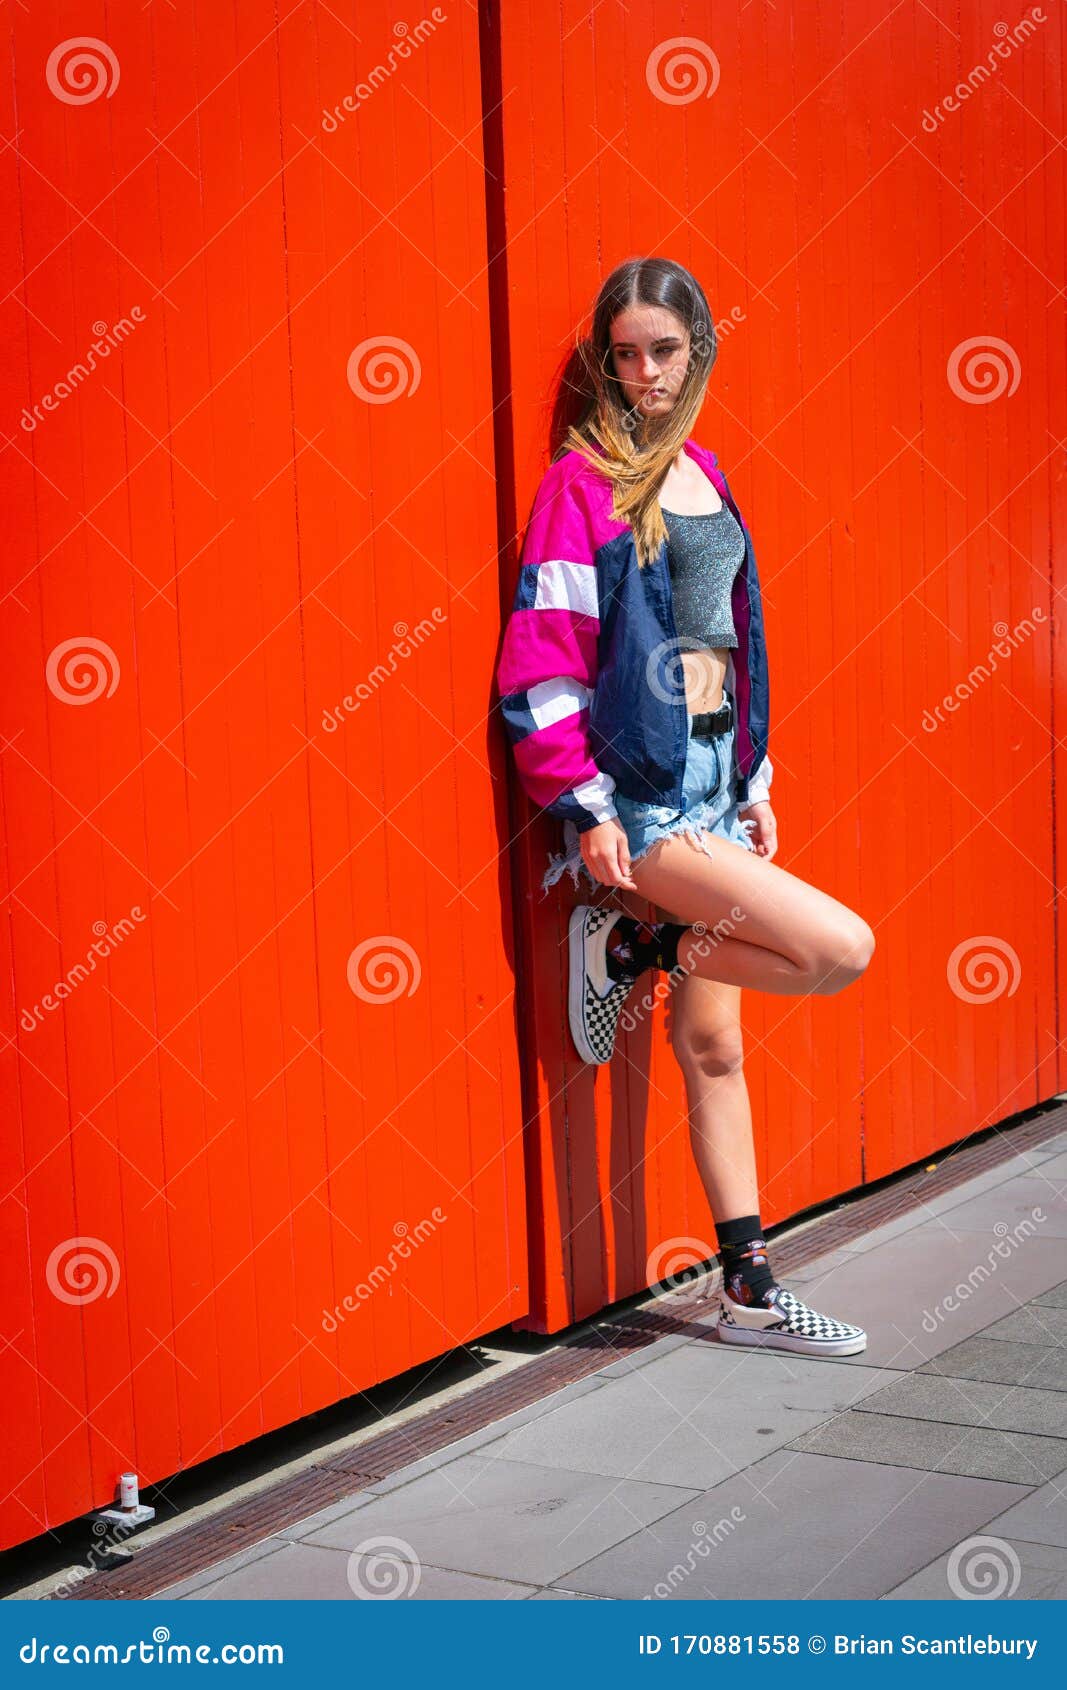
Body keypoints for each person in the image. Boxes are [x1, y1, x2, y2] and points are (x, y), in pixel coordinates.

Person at [495, 257, 876, 1358]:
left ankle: (745, 1284)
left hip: (714, 785)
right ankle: (637, 943)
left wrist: (752, 779)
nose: (643, 372)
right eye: (624, 354)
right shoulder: (584, 484)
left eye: (663, 349)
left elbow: (733, 640)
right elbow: (543, 661)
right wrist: (579, 801)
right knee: (835, 947)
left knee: (711, 1050)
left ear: (697, 349)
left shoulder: (704, 471)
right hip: (646, 806)